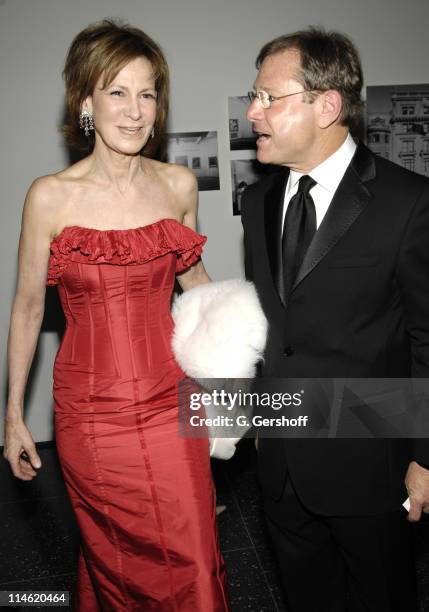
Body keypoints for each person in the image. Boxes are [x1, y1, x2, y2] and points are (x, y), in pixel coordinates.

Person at [3, 20, 229, 612]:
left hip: (171, 401)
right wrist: (12, 417)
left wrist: (238, 362)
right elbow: (27, 308)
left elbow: (195, 287)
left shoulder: (178, 185)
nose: (135, 111)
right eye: (117, 92)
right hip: (90, 416)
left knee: (195, 560)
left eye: (148, 93)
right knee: (118, 565)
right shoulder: (49, 197)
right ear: (86, 101)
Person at [241, 27, 429, 612]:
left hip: (371, 464)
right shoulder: (257, 202)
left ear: (328, 105)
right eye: (254, 95)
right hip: (279, 461)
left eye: (271, 97)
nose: (253, 112)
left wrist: (426, 459)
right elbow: (280, 328)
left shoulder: (409, 202)